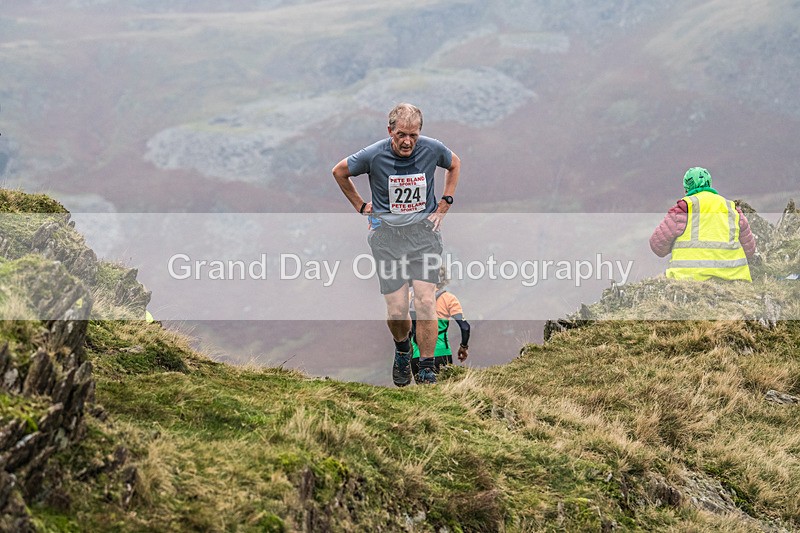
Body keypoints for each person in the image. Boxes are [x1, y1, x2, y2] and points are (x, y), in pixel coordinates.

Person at [332, 103, 461, 386]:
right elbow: (339, 171)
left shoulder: (432, 148)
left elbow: (454, 163)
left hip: (423, 235)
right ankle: (403, 348)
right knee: (397, 309)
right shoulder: (373, 154)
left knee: (427, 300)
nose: (407, 141)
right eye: (401, 134)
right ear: (390, 130)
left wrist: (445, 202)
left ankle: (426, 367)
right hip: (387, 239)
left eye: (413, 135)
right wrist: (360, 206)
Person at [650, 167, 756, 281]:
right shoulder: (732, 208)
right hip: (733, 277)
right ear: (709, 184)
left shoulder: (684, 208)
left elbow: (657, 246)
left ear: (686, 188)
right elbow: (749, 250)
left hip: (689, 277)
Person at [409, 266, 470, 382]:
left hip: (417, 355)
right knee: (442, 394)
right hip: (441, 354)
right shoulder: (449, 299)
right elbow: (465, 327)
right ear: (443, 279)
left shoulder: (411, 298)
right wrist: (463, 347)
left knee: (423, 394)